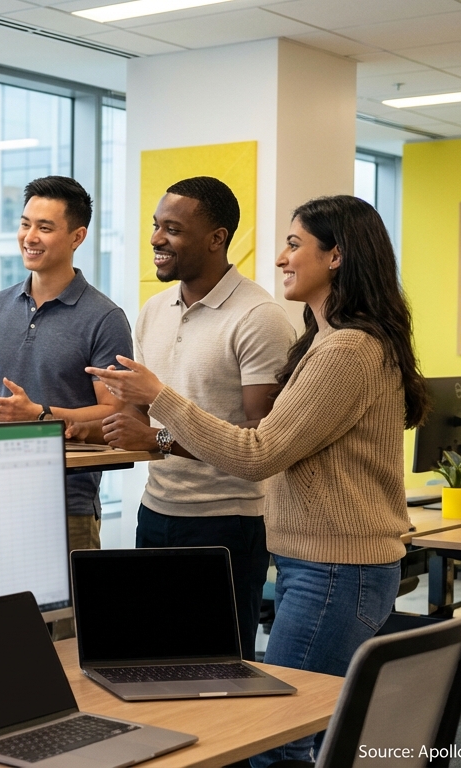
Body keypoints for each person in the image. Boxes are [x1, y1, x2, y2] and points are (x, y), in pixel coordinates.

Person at [90, 195, 429, 767]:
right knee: (297, 737)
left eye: (295, 244)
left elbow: (259, 452)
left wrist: (160, 399)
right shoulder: (330, 341)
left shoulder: (346, 350)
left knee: (277, 740)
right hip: (324, 567)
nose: (280, 258)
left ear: (337, 256)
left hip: (334, 571)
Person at [71, 177, 295, 659]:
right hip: (156, 512)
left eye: (172, 229)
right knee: (153, 657)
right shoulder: (154, 310)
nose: (156, 239)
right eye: (156, 226)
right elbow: (135, 419)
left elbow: (261, 438)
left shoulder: (258, 316)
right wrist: (69, 425)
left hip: (228, 523)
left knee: (221, 664)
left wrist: (158, 438)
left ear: (217, 238)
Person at [0, 175, 131, 556]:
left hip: (67, 505)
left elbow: (115, 416)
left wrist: (39, 415)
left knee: (68, 599)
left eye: (45, 227)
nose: (30, 237)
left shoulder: (105, 318)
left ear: (77, 237)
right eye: (25, 224)